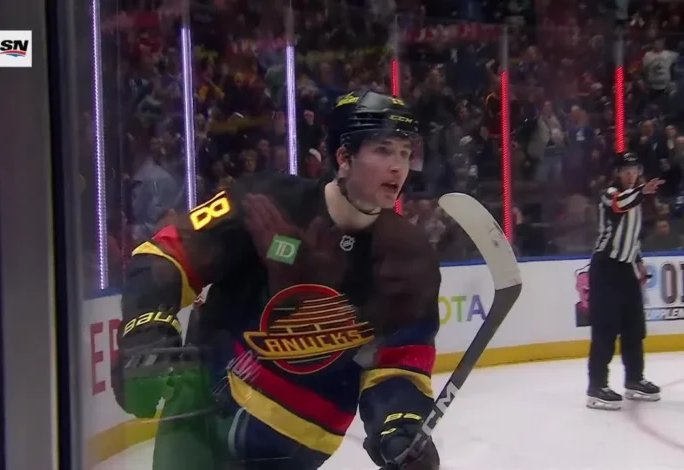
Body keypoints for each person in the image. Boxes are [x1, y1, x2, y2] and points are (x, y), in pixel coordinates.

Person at [112, 89, 442, 470]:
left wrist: (400, 426)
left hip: (292, 452)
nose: (398, 167)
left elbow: (399, 363)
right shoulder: (266, 200)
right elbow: (165, 256)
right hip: (201, 419)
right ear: (344, 157)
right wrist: (145, 331)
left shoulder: (407, 256)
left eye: (404, 153)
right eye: (383, 150)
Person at [586, 151, 665, 410]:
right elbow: (620, 204)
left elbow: (632, 238)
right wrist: (643, 190)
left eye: (635, 170)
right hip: (606, 269)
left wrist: (638, 261)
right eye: (626, 171)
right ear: (618, 173)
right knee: (606, 329)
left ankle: (634, 379)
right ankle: (597, 386)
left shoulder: (636, 197)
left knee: (634, 328)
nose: (631, 175)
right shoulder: (610, 193)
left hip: (626, 269)